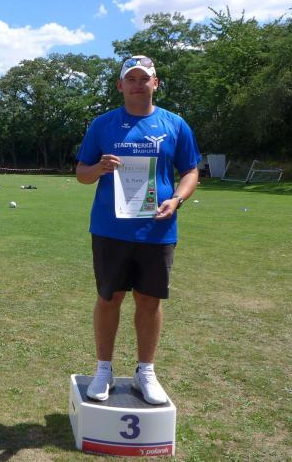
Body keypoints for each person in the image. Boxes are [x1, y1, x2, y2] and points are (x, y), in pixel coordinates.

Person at [75, 55, 200, 404]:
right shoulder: (102, 125)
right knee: (109, 298)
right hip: (110, 229)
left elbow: (191, 171)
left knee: (149, 300)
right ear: (120, 85)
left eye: (144, 78)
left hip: (157, 229)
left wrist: (176, 199)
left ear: (155, 83)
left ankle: (145, 371)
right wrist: (99, 168)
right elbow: (82, 174)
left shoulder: (175, 124)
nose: (137, 84)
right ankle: (103, 369)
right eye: (130, 79)